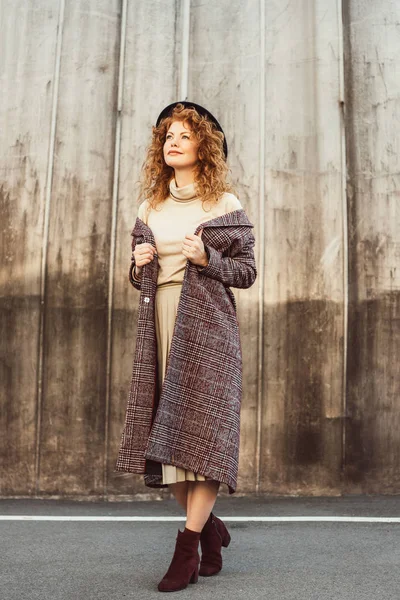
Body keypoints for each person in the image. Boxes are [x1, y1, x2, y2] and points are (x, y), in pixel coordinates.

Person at [115, 101, 257, 592]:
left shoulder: (223, 204)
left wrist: (208, 256)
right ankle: (211, 530)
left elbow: (246, 273)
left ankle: (187, 549)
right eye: (167, 135)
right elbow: (141, 281)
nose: (172, 141)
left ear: (204, 145)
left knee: (204, 442)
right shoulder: (148, 208)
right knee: (168, 445)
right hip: (161, 325)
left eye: (183, 135)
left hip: (209, 333)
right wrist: (139, 265)